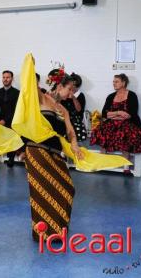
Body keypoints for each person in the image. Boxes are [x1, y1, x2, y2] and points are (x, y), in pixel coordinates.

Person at [25, 72, 82, 242]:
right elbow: (30, 87)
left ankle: (58, 228)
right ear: (59, 86)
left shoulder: (64, 110)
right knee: (41, 192)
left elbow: (70, 132)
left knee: (67, 188)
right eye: (69, 90)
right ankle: (43, 232)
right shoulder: (43, 99)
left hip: (56, 153)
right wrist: (31, 66)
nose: (71, 94)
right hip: (37, 150)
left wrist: (75, 144)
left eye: (74, 91)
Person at [90, 74, 141, 176]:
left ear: (123, 83)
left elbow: (130, 114)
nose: (114, 83)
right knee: (102, 130)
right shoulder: (111, 96)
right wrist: (118, 113)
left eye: (116, 81)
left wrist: (113, 115)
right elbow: (104, 113)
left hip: (128, 123)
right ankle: (101, 162)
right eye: (113, 81)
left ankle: (126, 166)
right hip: (111, 123)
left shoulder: (132, 95)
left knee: (125, 132)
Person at [0, 70, 21, 167]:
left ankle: (11, 157)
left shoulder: (17, 93)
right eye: (4, 77)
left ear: (12, 79)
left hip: (12, 119)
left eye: (8, 77)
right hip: (0, 118)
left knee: (13, 134)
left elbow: (15, 109)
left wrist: (5, 120)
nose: (5, 79)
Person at [57, 72, 87, 142]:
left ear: (77, 86)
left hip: (75, 118)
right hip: (62, 116)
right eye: (70, 86)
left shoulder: (80, 95)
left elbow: (79, 110)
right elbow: (57, 104)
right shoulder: (63, 93)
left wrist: (73, 97)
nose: (72, 88)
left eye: (74, 86)